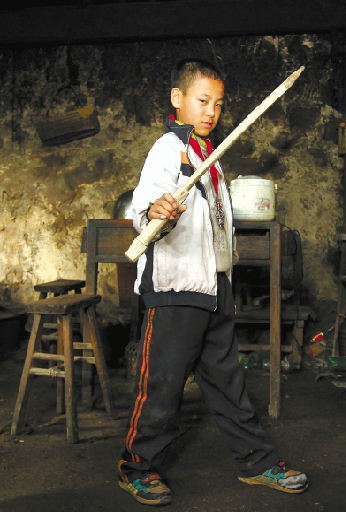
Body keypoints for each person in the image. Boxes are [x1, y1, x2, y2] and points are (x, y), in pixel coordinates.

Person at [117, 58, 308, 506]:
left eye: (218, 105)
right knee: (162, 387)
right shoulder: (167, 149)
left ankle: (256, 463)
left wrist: (227, 274)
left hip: (214, 287)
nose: (210, 112)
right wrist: (156, 212)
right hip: (176, 287)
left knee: (229, 384)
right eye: (202, 101)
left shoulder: (212, 159)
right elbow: (145, 207)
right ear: (177, 99)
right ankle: (137, 468)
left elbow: (218, 225)